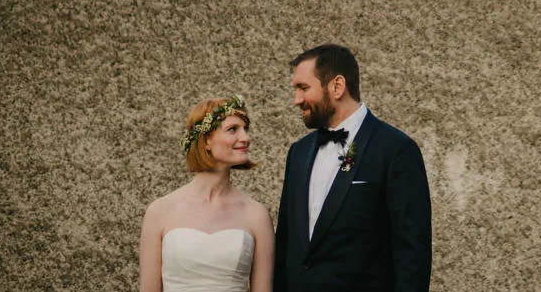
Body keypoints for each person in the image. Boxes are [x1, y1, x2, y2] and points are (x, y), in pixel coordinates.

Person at [274, 45, 431, 292]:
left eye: (304, 88)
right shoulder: (298, 152)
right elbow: (285, 243)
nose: (297, 100)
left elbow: (413, 255)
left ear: (337, 86)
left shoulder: (396, 150)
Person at [140, 96, 276, 292]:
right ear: (206, 141)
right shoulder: (160, 211)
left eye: (245, 129)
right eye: (233, 129)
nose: (246, 138)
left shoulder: (257, 215)